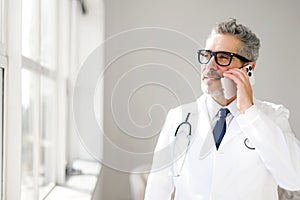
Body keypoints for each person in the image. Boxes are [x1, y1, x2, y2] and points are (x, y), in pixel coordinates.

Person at [144, 18, 300, 200]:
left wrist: (249, 112)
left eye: (223, 57)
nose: (209, 65)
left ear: (248, 68)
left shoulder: (272, 117)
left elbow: (293, 179)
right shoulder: (178, 117)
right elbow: (156, 191)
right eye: (206, 55)